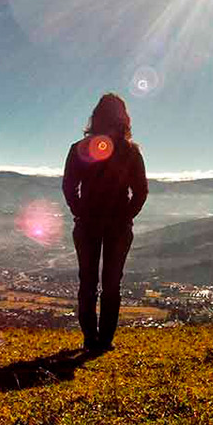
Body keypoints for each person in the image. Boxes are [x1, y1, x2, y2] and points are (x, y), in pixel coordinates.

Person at [62, 93, 148, 353]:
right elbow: (141, 191)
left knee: (87, 282)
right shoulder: (131, 152)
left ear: (95, 116)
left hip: (88, 224)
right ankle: (104, 341)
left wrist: (80, 212)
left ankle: (90, 339)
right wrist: (126, 216)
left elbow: (68, 187)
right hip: (118, 227)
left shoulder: (79, 148)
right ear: (124, 118)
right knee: (112, 284)